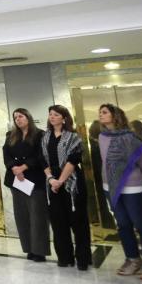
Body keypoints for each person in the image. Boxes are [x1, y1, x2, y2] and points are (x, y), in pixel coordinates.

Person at [98, 104, 142, 280]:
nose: (101, 115)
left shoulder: (131, 137)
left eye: (104, 112)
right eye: (100, 113)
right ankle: (132, 258)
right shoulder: (102, 137)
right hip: (111, 187)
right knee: (123, 225)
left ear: (115, 115)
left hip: (134, 188)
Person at [42, 105, 92, 271]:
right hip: (52, 185)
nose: (52, 117)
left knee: (78, 223)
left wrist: (60, 181)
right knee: (58, 222)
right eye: (50, 114)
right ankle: (65, 257)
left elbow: (73, 160)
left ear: (64, 118)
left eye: (56, 114)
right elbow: (42, 160)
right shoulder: (45, 137)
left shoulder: (73, 137)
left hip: (72, 184)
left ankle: (83, 259)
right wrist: (50, 179)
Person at [2, 108, 49, 262]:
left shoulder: (40, 134)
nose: (18, 120)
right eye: (15, 117)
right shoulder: (11, 135)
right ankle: (29, 249)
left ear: (28, 117)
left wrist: (24, 167)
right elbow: (6, 154)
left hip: (34, 180)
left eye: (21, 116)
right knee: (22, 217)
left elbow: (40, 155)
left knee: (37, 217)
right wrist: (14, 167)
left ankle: (39, 251)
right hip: (16, 181)